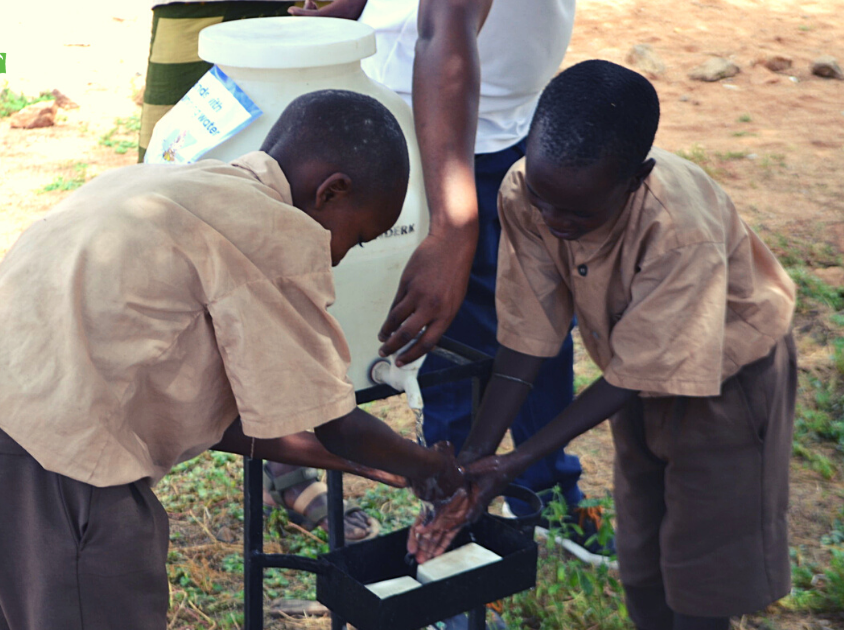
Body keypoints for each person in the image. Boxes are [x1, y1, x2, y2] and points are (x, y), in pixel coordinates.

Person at [0, 90, 470, 630]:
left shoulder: (173, 185)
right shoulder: (274, 232)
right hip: (62, 459)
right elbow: (337, 423)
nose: (343, 255)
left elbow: (234, 423)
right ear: (331, 192)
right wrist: (432, 470)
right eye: (358, 236)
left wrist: (362, 463)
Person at [410, 60, 798, 630]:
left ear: (636, 178)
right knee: (642, 555)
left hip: (729, 386)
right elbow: (528, 336)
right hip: (633, 382)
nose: (553, 219)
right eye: (544, 200)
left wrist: (517, 461)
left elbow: (638, 370)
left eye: (576, 212)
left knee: (701, 570)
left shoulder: (678, 230)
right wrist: (476, 459)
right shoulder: (527, 189)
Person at [290, 0, 613, 563]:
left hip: (517, 122)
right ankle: (453, 510)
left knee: (544, 314)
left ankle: (546, 488)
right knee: (452, 347)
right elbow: (445, 24)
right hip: (448, 136)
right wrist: (453, 226)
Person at [137, 0, 383, 544]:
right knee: (212, 245)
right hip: (202, 22)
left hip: (291, 26)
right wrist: (397, 461)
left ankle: (286, 470)